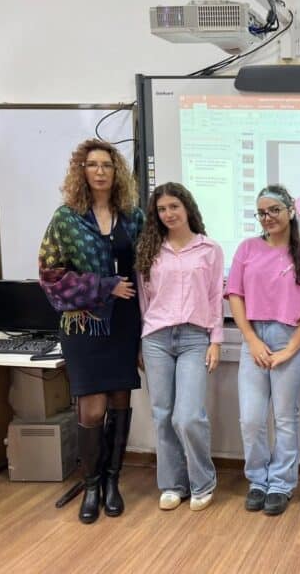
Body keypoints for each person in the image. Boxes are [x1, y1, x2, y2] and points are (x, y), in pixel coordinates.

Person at [38, 139, 144, 524]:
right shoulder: (67, 219)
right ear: (81, 171)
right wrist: (103, 286)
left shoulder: (132, 217)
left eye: (107, 165)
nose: (100, 171)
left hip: (126, 322)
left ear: (117, 172)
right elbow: (50, 277)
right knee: (92, 407)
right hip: (84, 326)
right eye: (93, 164)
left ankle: (113, 481)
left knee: (120, 400)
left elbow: (148, 267)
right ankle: (92, 485)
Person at [226, 184, 300, 516]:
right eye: (262, 213)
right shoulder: (247, 249)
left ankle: (281, 484)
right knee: (251, 419)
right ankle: (258, 480)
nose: (267, 217)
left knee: (285, 417)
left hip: (291, 340)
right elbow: (235, 296)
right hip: (254, 339)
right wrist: (251, 339)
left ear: (290, 210)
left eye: (274, 210)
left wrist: (290, 350)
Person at [136, 182, 224, 512]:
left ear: (187, 207)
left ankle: (202, 482)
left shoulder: (209, 249)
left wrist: (216, 340)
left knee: (187, 417)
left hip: (194, 338)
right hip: (156, 338)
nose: (168, 213)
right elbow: (144, 300)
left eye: (174, 206)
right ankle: (173, 484)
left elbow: (215, 297)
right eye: (161, 209)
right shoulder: (149, 249)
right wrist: (141, 342)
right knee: (162, 415)